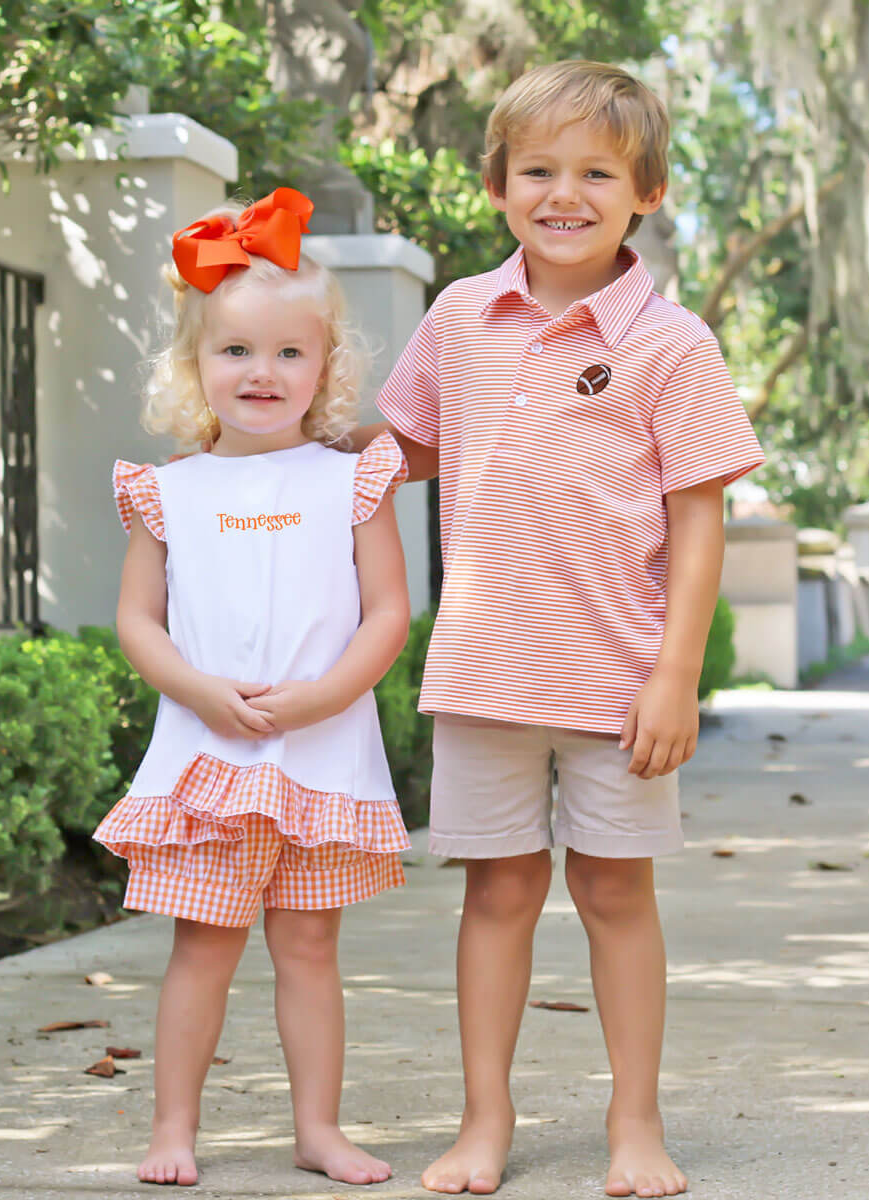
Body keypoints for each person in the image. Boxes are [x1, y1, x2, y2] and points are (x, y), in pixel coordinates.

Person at [353, 61, 765, 1197]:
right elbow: (413, 447)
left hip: (617, 679)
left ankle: (636, 1124)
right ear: (498, 185)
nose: (564, 193)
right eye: (538, 169)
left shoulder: (673, 343)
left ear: (649, 192)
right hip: (484, 671)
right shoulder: (460, 317)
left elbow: (699, 517)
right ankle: (486, 1120)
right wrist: (277, 456)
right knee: (494, 894)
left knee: (618, 893)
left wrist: (675, 675)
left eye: (596, 172)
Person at [93, 187, 412, 1188]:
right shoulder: (169, 490)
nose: (261, 372)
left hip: (319, 755)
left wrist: (322, 697)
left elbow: (388, 612)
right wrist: (195, 688)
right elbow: (138, 619)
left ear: (325, 366)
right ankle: (172, 1129)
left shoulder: (350, 480)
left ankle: (317, 1129)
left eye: (288, 352)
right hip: (208, 756)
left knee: (310, 945)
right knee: (205, 946)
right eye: (234, 351)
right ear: (195, 366)